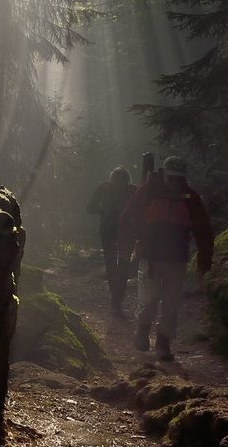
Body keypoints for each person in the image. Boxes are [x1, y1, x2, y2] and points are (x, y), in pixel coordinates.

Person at [116, 155, 213, 362]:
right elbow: (128, 218)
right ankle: (143, 330)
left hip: (177, 257)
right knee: (150, 299)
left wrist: (204, 262)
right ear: (164, 175)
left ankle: (163, 342)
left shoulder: (190, 198)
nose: (175, 183)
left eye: (179, 179)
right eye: (171, 178)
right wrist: (124, 248)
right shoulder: (148, 191)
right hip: (150, 255)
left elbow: (203, 230)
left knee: (171, 302)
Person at [85, 166, 137, 315]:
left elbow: (90, 208)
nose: (120, 185)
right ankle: (116, 299)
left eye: (122, 182)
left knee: (118, 266)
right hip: (114, 232)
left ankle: (117, 299)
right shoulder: (129, 190)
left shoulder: (124, 189)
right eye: (118, 182)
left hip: (120, 232)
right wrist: (106, 212)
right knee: (116, 265)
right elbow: (90, 208)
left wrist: (105, 212)